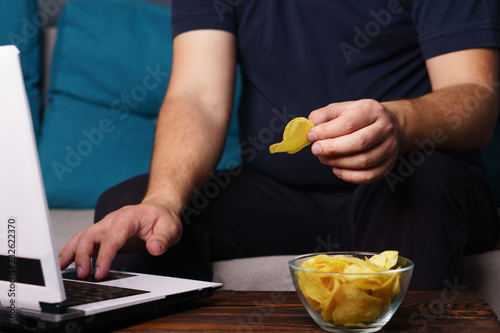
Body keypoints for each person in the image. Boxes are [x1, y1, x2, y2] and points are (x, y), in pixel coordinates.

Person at [59, 0, 500, 290]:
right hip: (282, 198)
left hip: (411, 180)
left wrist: (400, 122)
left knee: (417, 189)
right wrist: (162, 201)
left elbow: (476, 95)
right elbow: (198, 96)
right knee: (131, 208)